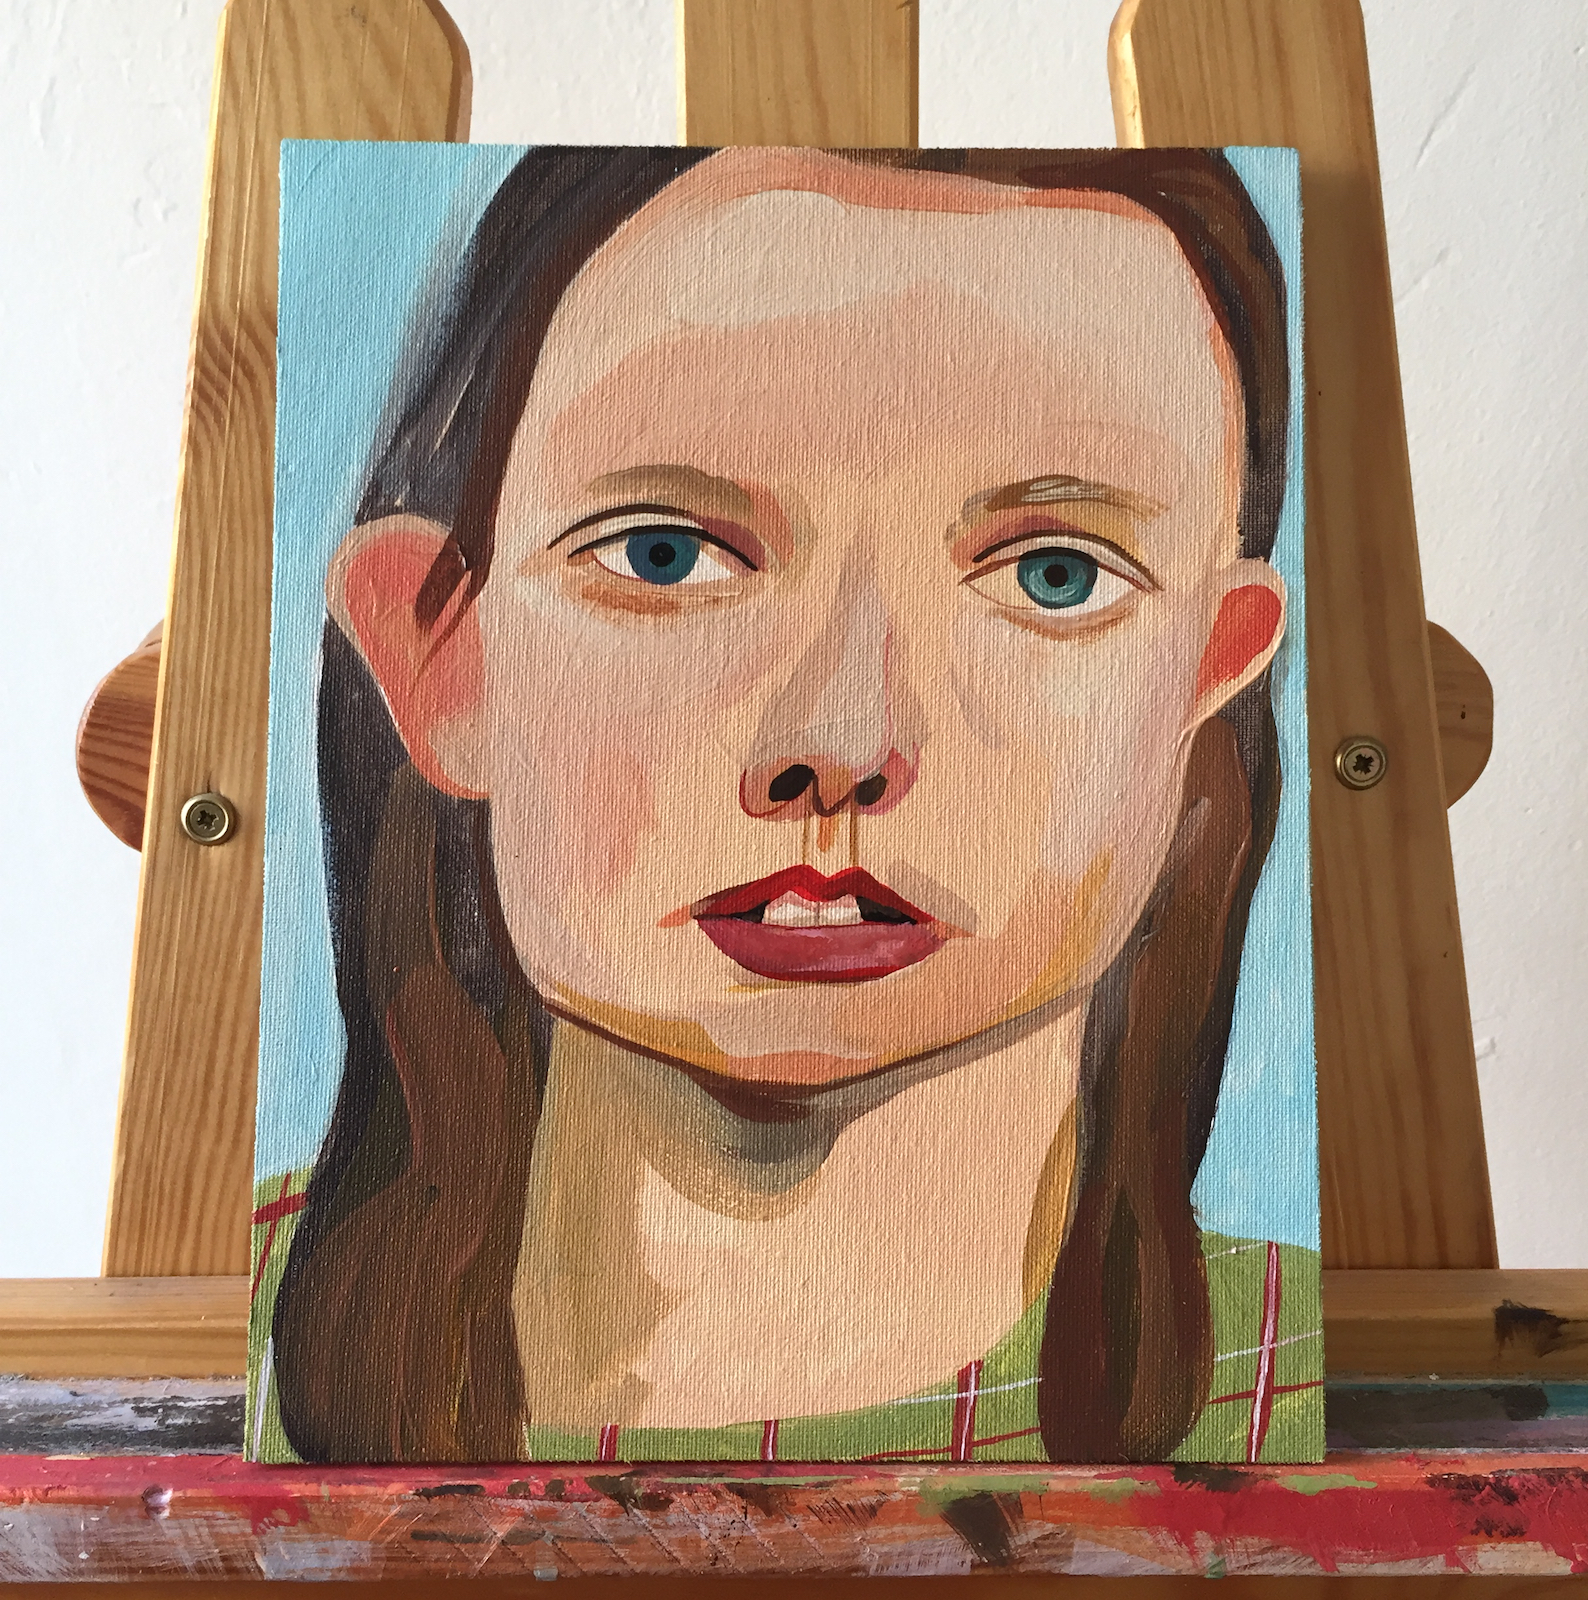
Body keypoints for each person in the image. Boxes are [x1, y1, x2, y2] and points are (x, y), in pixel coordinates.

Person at [249, 145, 1320, 1466]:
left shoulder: (1286, 1374)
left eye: (1054, 574)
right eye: (664, 555)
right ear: (438, 659)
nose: (843, 744)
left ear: (1206, 680)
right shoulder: (225, 1328)